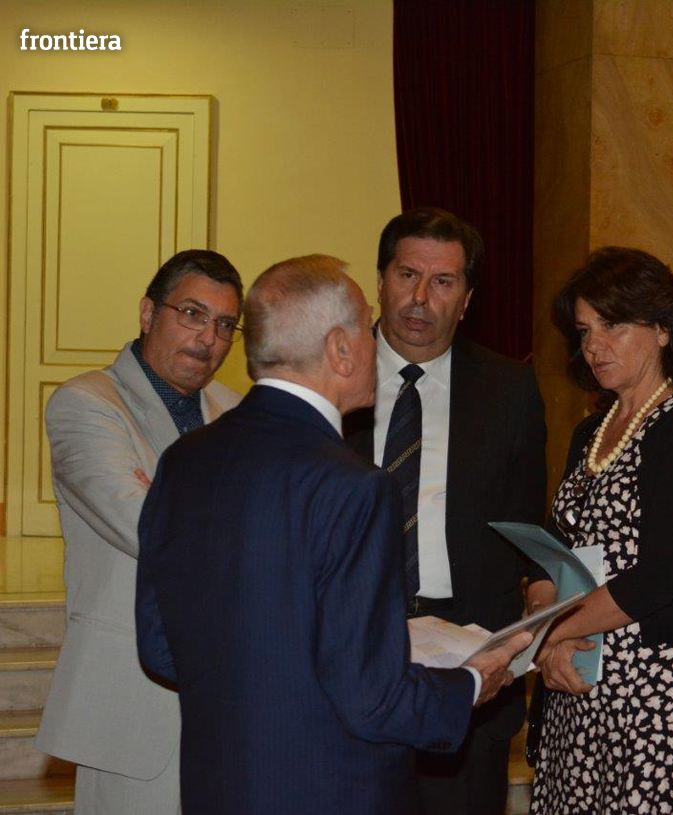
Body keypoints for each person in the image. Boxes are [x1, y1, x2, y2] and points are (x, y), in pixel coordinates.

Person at [134, 255, 530, 814]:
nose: (376, 343)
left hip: (220, 785)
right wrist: (469, 685)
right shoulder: (353, 485)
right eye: (367, 328)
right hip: (330, 788)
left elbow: (161, 646)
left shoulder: (183, 460)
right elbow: (371, 697)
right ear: (341, 349)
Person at [343, 208, 546, 813]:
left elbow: (528, 522)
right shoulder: (331, 374)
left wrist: (532, 621)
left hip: (468, 667)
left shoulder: (509, 389)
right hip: (350, 650)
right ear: (381, 280)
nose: (420, 298)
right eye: (407, 275)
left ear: (467, 299)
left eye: (443, 282)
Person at [35, 250, 243, 814]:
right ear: (149, 313)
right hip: (133, 696)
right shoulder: (86, 403)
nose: (209, 338)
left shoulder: (236, 410)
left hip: (229, 693)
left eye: (226, 324)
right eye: (192, 314)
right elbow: (146, 525)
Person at [528, 247, 673, 813]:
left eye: (612, 325)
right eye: (584, 330)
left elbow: (660, 577)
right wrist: (542, 620)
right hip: (574, 686)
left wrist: (550, 634)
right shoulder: (589, 433)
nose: (594, 345)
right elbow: (551, 551)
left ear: (663, 329)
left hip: (653, 699)